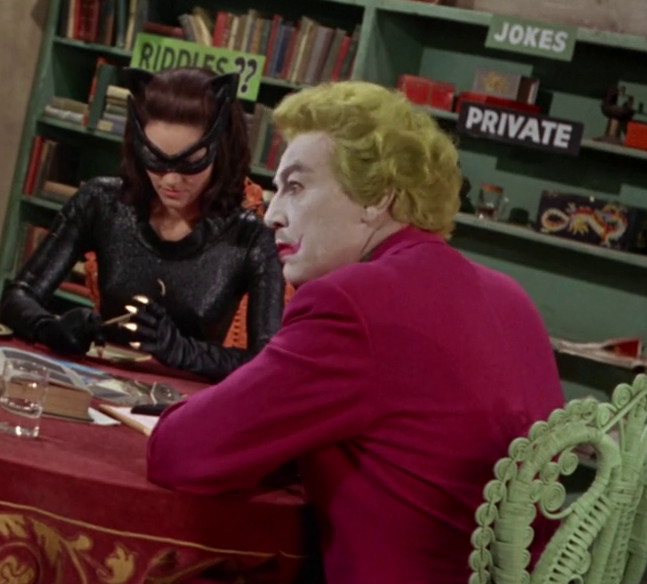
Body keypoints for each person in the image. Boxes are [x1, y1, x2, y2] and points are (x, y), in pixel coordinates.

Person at [145, 81, 565, 583]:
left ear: (377, 198)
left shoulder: (352, 302)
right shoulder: (512, 298)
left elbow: (180, 453)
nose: (272, 214)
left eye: (295, 187)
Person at [0, 67, 285, 382]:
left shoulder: (250, 237)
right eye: (155, 159)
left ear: (223, 150)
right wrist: (51, 328)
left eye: (191, 163)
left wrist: (185, 352)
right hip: (94, 384)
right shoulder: (102, 202)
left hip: (183, 401)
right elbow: (16, 298)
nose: (170, 179)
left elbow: (268, 364)